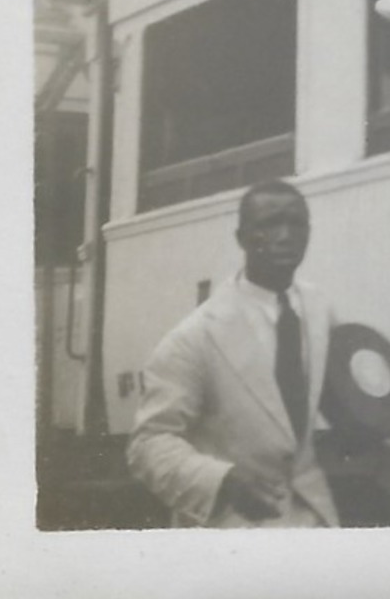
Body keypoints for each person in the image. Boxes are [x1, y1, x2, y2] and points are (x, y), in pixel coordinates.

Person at [127, 180, 339, 528]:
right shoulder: (194, 338)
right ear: (241, 238)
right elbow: (148, 444)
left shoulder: (319, 309)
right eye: (269, 224)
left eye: (296, 223)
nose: (285, 235)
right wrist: (222, 481)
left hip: (314, 518)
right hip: (234, 528)